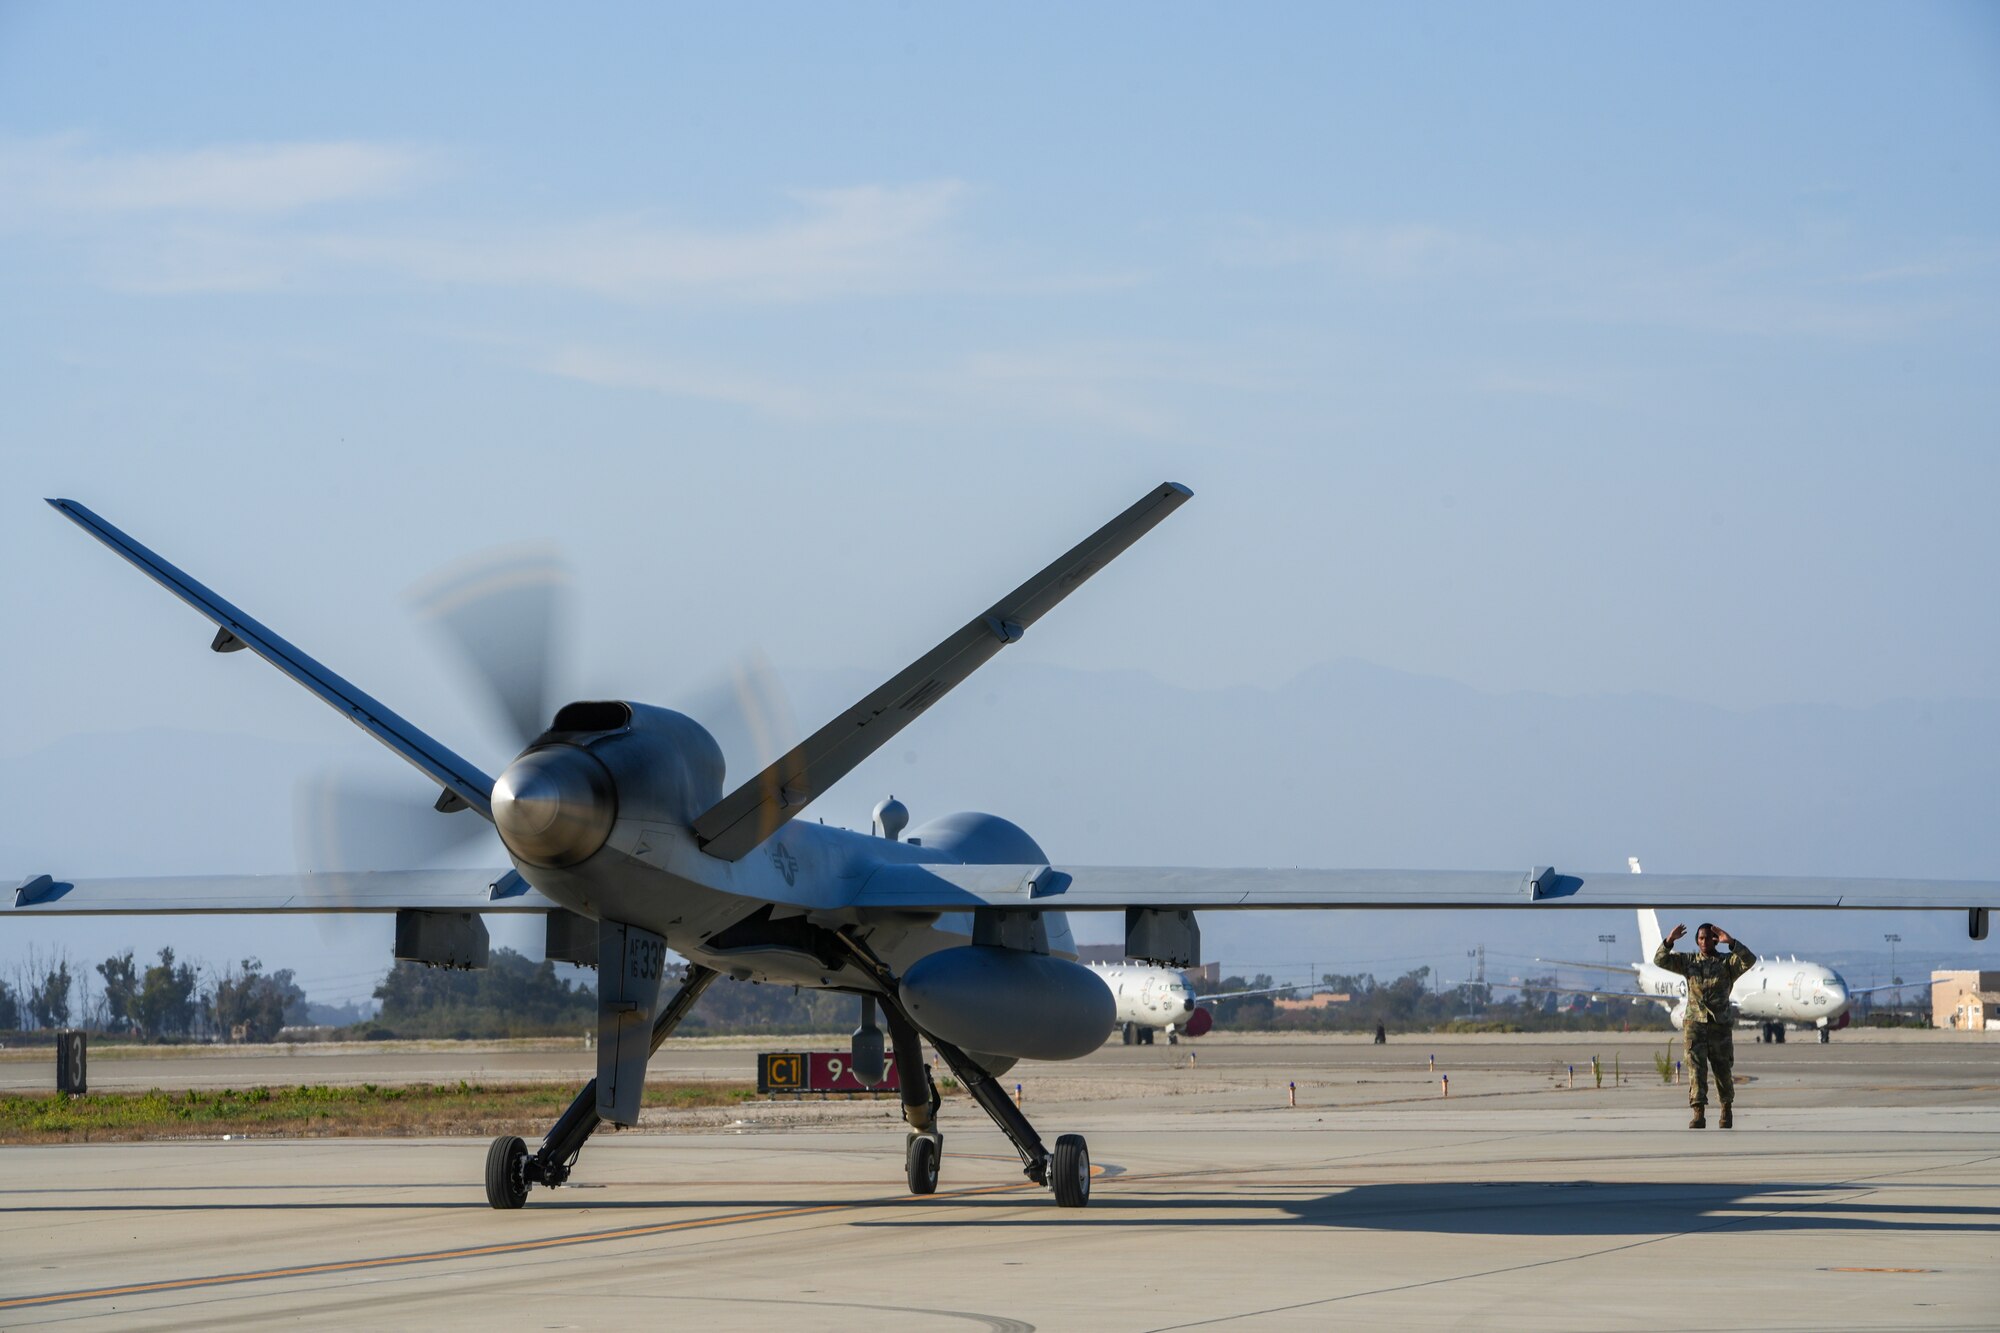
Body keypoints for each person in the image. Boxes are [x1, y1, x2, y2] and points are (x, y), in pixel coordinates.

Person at [1652, 922, 1756, 1129]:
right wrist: (1669, 941)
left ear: (1716, 940)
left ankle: (1726, 1109)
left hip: (1719, 1025)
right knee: (1695, 1069)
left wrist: (1732, 942)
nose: (1704, 942)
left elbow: (1749, 960)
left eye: (1708, 938)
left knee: (1722, 1069)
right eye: (1700, 938)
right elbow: (1660, 960)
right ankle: (1698, 1112)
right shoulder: (1689, 961)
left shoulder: (1727, 963)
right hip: (1695, 1024)